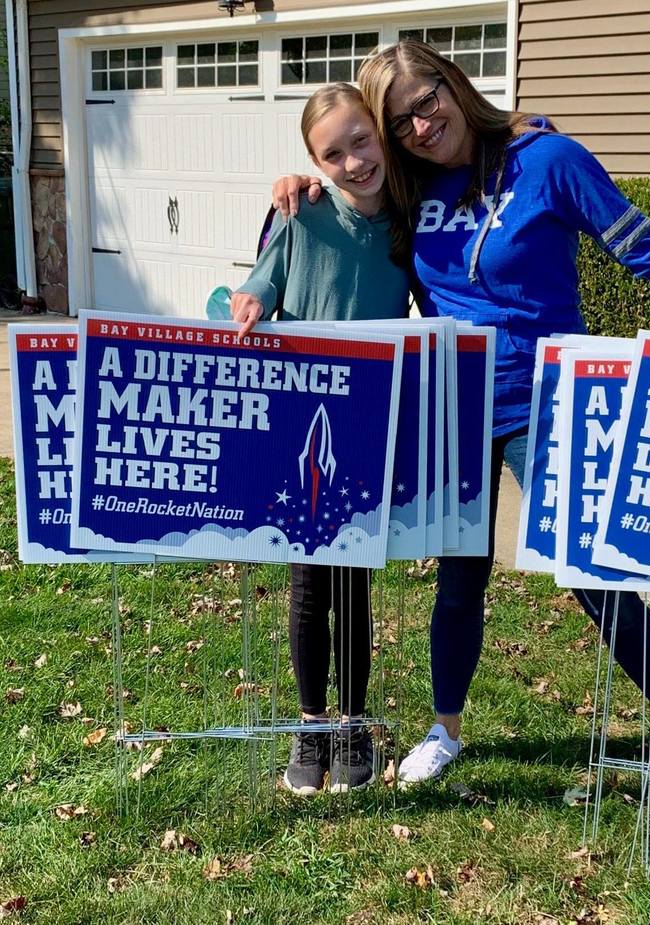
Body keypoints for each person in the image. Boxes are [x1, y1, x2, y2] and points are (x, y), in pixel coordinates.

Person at [272, 40, 650, 817]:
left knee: (590, 572)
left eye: (427, 100)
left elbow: (644, 247)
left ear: (453, 84)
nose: (422, 125)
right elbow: (349, 200)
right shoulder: (408, 182)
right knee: (459, 578)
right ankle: (447, 725)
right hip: (455, 404)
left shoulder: (548, 159)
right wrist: (299, 183)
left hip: (545, 401)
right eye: (400, 122)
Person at [232, 82, 409, 795]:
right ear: (312, 161)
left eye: (360, 140)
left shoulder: (407, 219)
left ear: (378, 131)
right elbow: (263, 281)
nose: (353, 161)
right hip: (300, 418)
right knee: (308, 586)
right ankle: (310, 724)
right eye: (331, 153)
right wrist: (250, 299)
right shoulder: (299, 212)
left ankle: (354, 722)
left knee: (354, 584)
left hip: (367, 420)